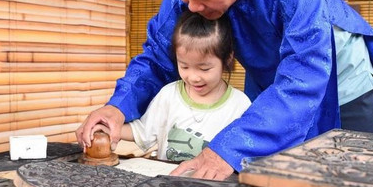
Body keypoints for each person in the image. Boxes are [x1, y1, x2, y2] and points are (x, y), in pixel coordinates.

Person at [77, 0, 373, 180]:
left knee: (356, 177)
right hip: (272, 77)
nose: (192, 7)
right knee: (269, 177)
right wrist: (117, 108)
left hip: (337, 75)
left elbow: (305, 76)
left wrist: (228, 149)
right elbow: (159, 57)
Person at [85, 10, 251, 162]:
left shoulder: (240, 105)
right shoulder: (168, 95)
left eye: (204, 68)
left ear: (228, 59)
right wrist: (107, 128)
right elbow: (143, 132)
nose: (193, 77)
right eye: (184, 66)